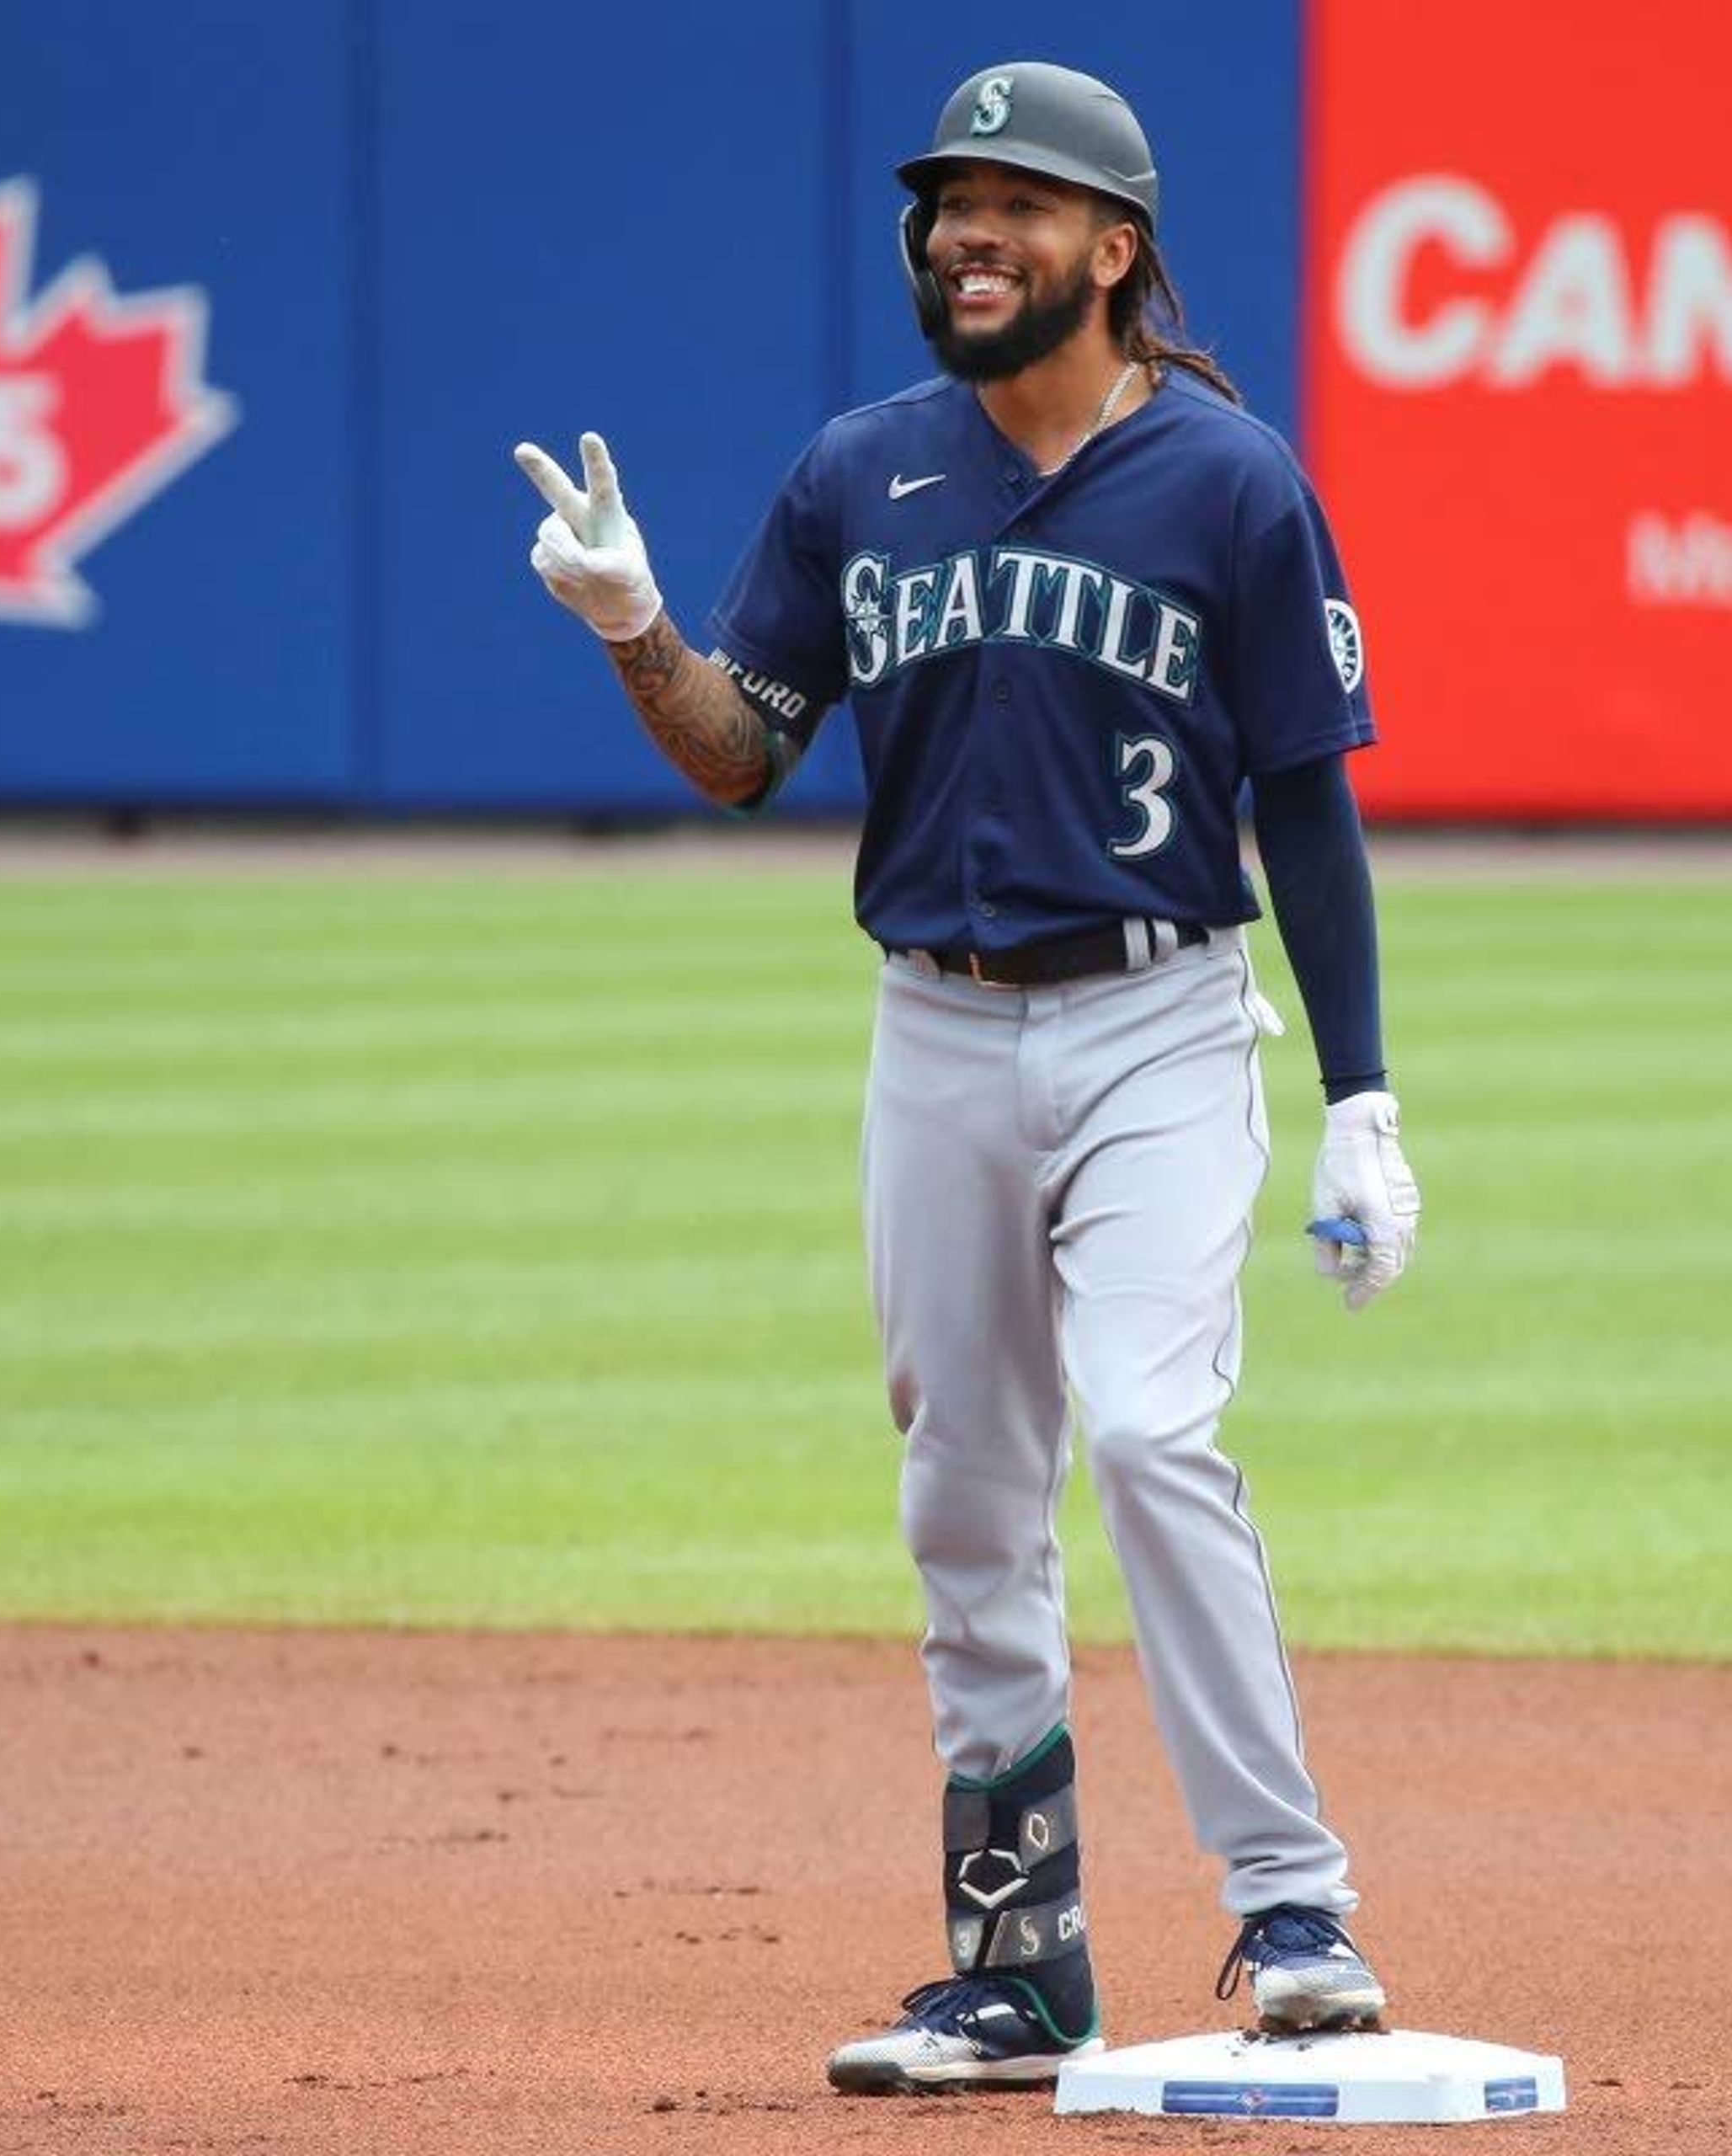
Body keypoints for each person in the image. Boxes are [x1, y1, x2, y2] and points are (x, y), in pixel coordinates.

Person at [510, 59, 1421, 2097]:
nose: (964, 234)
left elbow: (1309, 805)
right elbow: (744, 748)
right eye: (947, 204)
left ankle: (1293, 1903)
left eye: (1013, 203)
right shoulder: (863, 470)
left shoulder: (1231, 479)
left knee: (1159, 1426)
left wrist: (1362, 1089)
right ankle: (1020, 1964)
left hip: (1163, 1017)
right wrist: (636, 622)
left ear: (1116, 246)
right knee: (964, 1483)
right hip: (932, 1023)